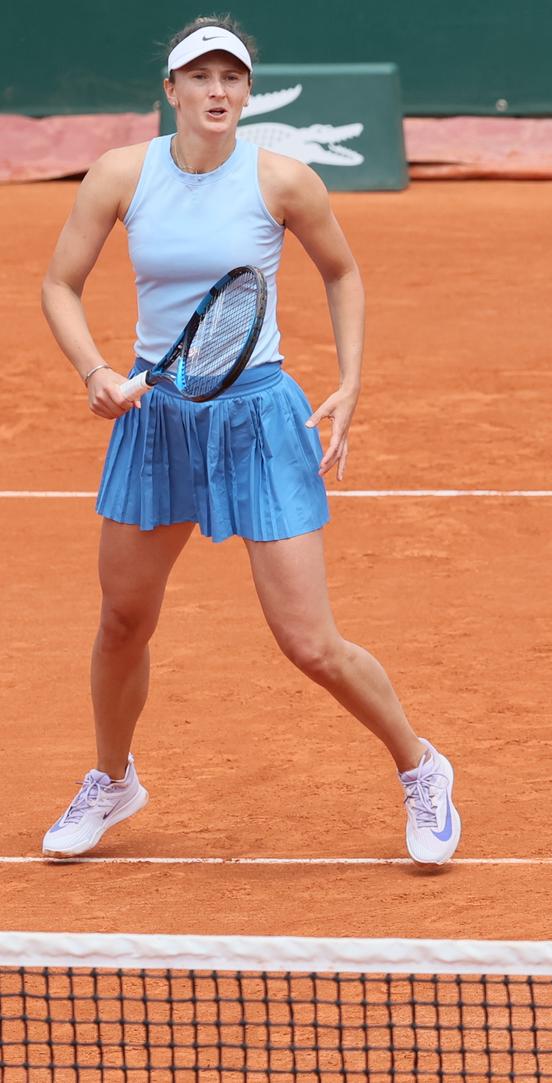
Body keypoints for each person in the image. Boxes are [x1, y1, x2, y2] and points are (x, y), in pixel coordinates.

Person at [38, 17, 460, 866]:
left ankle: (422, 766)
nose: (218, 92)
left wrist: (350, 381)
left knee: (309, 642)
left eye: (232, 78)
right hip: (155, 418)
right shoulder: (121, 176)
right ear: (172, 91)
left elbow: (342, 271)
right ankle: (113, 779)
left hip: (258, 420)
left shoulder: (283, 182)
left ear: (247, 91)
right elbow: (59, 284)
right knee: (122, 619)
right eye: (201, 78)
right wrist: (93, 373)